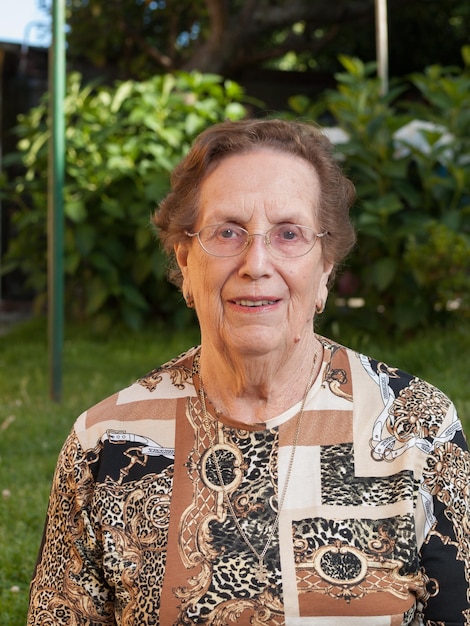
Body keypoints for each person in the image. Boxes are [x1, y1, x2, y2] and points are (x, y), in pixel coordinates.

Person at [28, 118, 470, 625]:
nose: (256, 262)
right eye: (228, 231)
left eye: (288, 233)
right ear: (185, 261)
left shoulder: (416, 427)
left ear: (325, 268)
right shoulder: (106, 446)